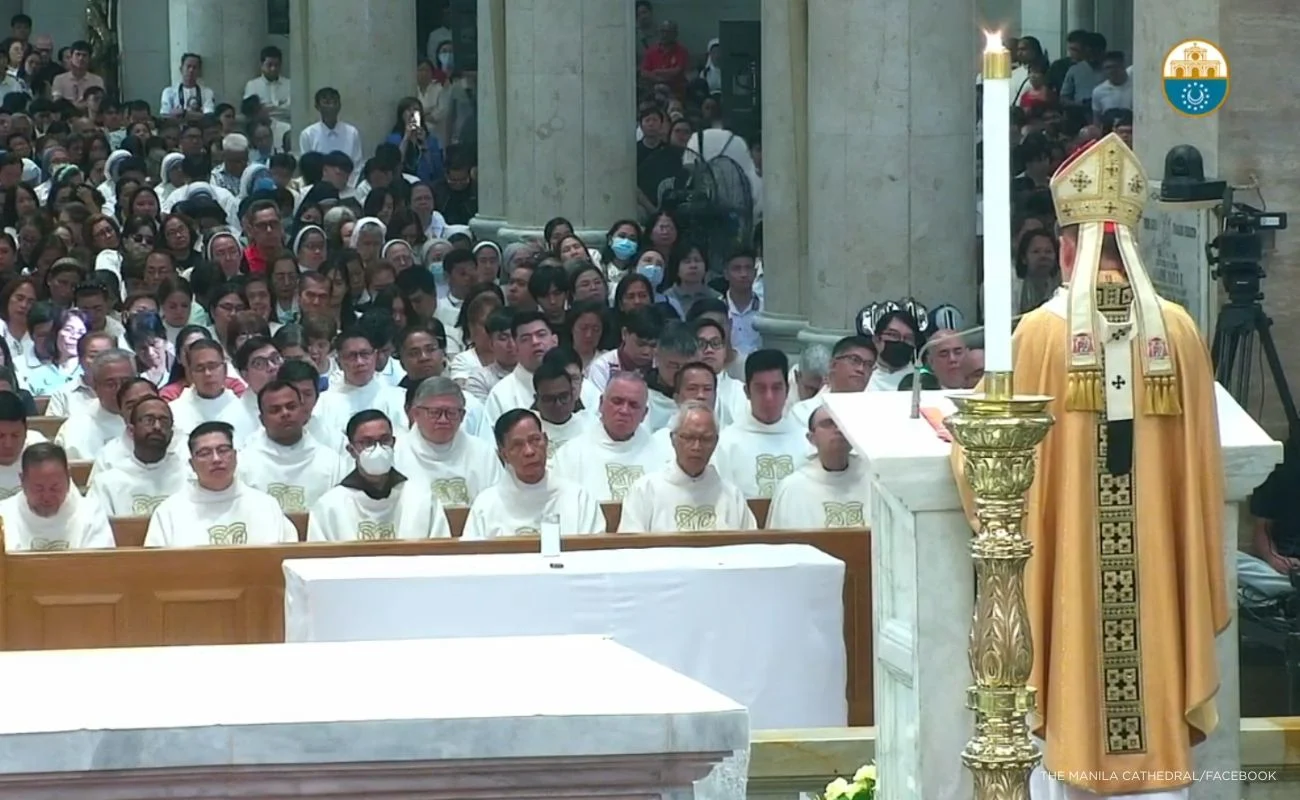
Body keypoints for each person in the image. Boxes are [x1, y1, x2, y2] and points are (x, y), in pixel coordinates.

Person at [952, 134, 1226, 799]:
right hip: (1156, 584)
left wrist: (961, 444)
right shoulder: (1180, 333)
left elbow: (993, 462)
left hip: (1073, 580)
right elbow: (1203, 473)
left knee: (1071, 685)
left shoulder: (1043, 335)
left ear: (1067, 245)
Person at [144, 421, 298, 547]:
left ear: (235, 456)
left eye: (223, 450)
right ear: (192, 464)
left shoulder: (266, 505)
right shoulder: (169, 512)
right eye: (205, 453)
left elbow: (288, 559)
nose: (216, 459)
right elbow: (155, 566)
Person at [308, 410, 452, 541]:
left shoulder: (422, 500)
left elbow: (441, 552)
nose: (378, 449)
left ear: (393, 443)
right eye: (367, 443)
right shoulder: (329, 506)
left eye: (384, 440)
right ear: (351, 450)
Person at [462, 408, 604, 539]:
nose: (529, 451)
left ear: (546, 441)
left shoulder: (578, 498)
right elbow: (472, 557)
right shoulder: (486, 505)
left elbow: (595, 554)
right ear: (503, 454)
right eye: (517, 445)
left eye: (535, 440)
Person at [618, 401, 755, 533]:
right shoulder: (645, 491)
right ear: (673, 439)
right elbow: (631, 549)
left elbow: (751, 548)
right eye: (688, 438)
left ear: (715, 442)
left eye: (705, 439)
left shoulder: (732, 496)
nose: (696, 447)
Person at [552, 372, 672, 502]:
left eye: (633, 405)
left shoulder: (663, 456)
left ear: (644, 413)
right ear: (601, 403)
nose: (624, 410)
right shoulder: (570, 455)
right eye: (617, 402)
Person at [238, 380, 348, 514]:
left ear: (303, 412)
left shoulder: (332, 464)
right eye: (275, 410)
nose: (285, 413)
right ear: (262, 420)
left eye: (291, 406)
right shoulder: (243, 464)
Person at [713, 349, 810, 499]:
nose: (769, 397)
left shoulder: (806, 441)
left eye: (776, 388)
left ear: (787, 390)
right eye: (760, 389)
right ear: (747, 392)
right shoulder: (726, 444)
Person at [394, 376, 503, 507]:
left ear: (462, 416)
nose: (443, 420)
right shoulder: (396, 453)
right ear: (416, 414)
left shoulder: (483, 453)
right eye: (435, 413)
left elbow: (497, 503)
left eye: (451, 413)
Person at [767, 406, 870, 529]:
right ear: (811, 438)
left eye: (842, 422)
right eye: (828, 423)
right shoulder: (792, 488)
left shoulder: (873, 480)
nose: (838, 429)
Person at [0, 442, 115, 551]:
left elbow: (101, 565)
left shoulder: (91, 513)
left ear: (68, 478)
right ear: (22, 481)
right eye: (39, 488)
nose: (47, 496)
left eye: (55, 488)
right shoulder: (3, 514)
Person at [86, 397, 187, 516]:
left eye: (164, 421)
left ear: (172, 432)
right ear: (131, 430)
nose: (157, 427)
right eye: (149, 420)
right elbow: (97, 527)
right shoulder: (106, 483)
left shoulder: (189, 477)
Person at [313, 327, 408, 433]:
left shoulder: (398, 397)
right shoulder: (323, 403)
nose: (360, 362)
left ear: (375, 356)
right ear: (339, 361)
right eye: (351, 356)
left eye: (365, 354)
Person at [54, 348, 136, 459]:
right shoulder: (74, 429)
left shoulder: (153, 421)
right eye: (111, 384)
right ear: (96, 387)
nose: (119, 390)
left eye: (126, 382)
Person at [168, 338, 255, 443]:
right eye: (200, 368)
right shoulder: (175, 412)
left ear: (225, 369)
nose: (207, 374)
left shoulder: (245, 410)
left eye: (213, 366)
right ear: (190, 374)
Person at [483, 310, 556, 426]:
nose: (535, 342)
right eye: (525, 339)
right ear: (515, 347)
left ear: (554, 341)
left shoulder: (580, 386)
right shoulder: (500, 394)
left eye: (541, 335)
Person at [791, 336, 875, 426]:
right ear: (833, 364)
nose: (861, 369)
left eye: (869, 365)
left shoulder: (874, 413)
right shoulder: (803, 412)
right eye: (854, 360)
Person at [531, 349, 592, 461]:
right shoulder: (526, 426)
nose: (558, 404)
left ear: (572, 394)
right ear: (536, 399)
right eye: (550, 399)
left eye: (563, 397)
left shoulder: (591, 424)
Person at [44, 330, 114, 416]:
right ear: (81, 359)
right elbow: (52, 427)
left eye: (107, 355)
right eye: (93, 356)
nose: (101, 361)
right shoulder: (63, 394)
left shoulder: (124, 392)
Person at [0, 389, 45, 498]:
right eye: (0, 436)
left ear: (26, 432)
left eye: (15, 435)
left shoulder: (42, 452)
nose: (8, 444)